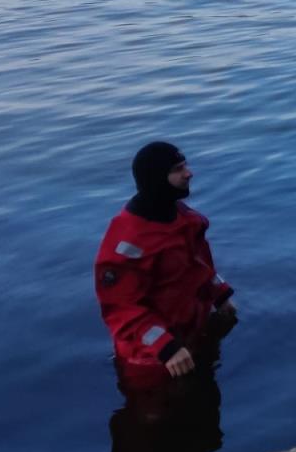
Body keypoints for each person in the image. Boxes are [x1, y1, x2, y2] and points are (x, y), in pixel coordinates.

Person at [94, 141, 236, 384]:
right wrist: (166, 348)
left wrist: (220, 295)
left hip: (190, 336)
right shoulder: (127, 241)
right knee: (157, 417)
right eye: (178, 169)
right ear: (157, 178)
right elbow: (121, 308)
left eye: (185, 165)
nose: (189, 173)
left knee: (206, 411)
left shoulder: (184, 219)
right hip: (152, 359)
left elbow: (198, 265)